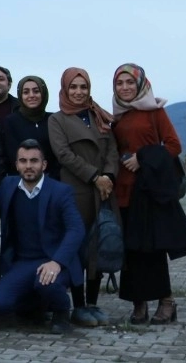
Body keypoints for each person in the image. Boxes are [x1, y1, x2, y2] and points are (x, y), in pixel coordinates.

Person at [111, 63, 186, 326]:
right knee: (132, 251)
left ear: (141, 85)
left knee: (152, 250)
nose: (125, 88)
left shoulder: (155, 112)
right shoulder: (117, 115)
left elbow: (174, 145)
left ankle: (166, 302)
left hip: (148, 190)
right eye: (119, 83)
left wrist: (142, 158)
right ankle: (139, 304)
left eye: (130, 83)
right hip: (123, 191)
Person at [0, 140, 85, 335]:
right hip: (23, 262)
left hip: (53, 260)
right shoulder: (9, 186)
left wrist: (57, 262)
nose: (28, 166)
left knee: (45, 284)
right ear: (16, 165)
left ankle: (61, 311)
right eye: (23, 161)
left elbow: (76, 229)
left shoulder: (60, 191)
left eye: (34, 161)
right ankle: (35, 306)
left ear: (44, 165)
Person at [48, 67, 119, 327]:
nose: (79, 92)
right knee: (77, 248)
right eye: (73, 87)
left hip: (103, 191)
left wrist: (109, 176)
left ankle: (93, 303)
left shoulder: (98, 115)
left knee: (97, 247)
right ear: (65, 89)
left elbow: (112, 148)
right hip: (76, 190)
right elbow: (63, 154)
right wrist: (95, 176)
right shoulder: (57, 120)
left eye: (83, 87)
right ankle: (77, 305)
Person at [3, 76, 60, 179]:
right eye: (26, 92)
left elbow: (59, 154)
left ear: (43, 93)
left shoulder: (53, 119)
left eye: (36, 91)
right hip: (21, 182)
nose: (31, 95)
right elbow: (11, 156)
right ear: (20, 95)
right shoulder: (11, 121)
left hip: (52, 181)